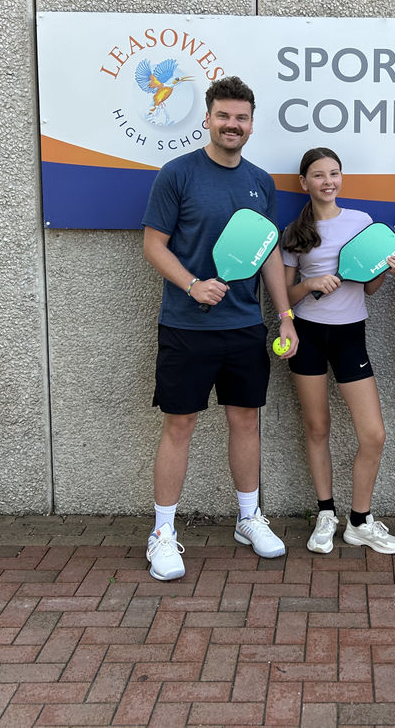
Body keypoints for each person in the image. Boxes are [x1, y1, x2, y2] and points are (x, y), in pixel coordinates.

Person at [141, 75, 299, 581]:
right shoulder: (177, 175)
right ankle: (163, 532)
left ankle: (248, 518)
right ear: (207, 119)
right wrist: (192, 285)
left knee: (246, 421)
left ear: (252, 124)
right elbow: (153, 245)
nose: (233, 125)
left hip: (245, 327)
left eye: (242, 117)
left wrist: (285, 316)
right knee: (180, 425)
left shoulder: (260, 181)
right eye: (224, 116)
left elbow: (268, 251)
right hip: (186, 326)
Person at [280, 148, 395, 555]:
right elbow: (282, 297)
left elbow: (367, 287)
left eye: (334, 173)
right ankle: (325, 513)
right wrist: (311, 284)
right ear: (304, 183)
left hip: (351, 335)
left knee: (373, 434)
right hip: (308, 335)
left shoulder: (361, 223)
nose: (328, 181)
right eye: (318, 175)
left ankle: (359, 521)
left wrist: (387, 273)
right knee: (317, 428)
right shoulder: (293, 233)